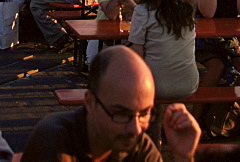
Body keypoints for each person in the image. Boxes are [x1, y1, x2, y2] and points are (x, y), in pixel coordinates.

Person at [23, 45, 200, 161]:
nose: (136, 128)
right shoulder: (54, 143)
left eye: (145, 113)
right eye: (121, 113)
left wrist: (184, 156)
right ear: (90, 103)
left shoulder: (138, 145)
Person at [130, 0, 199, 104]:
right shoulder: (187, 9)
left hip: (154, 86)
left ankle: (147, 121)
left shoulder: (143, 11)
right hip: (188, 84)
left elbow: (137, 52)